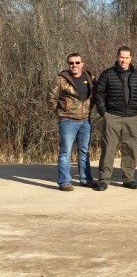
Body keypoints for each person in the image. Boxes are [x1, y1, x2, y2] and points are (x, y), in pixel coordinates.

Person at [93, 46, 137, 191]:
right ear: (117, 57)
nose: (124, 60)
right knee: (108, 149)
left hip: (132, 117)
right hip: (113, 115)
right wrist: (104, 113)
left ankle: (128, 178)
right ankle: (104, 179)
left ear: (131, 58)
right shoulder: (107, 74)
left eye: (126, 57)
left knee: (131, 149)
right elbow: (99, 93)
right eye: (121, 57)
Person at [47, 53, 97, 191]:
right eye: (71, 63)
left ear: (82, 63)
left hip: (85, 120)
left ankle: (86, 179)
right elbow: (51, 99)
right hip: (68, 120)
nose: (74, 65)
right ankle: (64, 182)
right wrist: (60, 113)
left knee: (84, 151)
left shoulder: (90, 78)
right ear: (68, 65)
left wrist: (88, 110)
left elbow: (96, 95)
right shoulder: (61, 80)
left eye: (77, 62)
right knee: (65, 152)